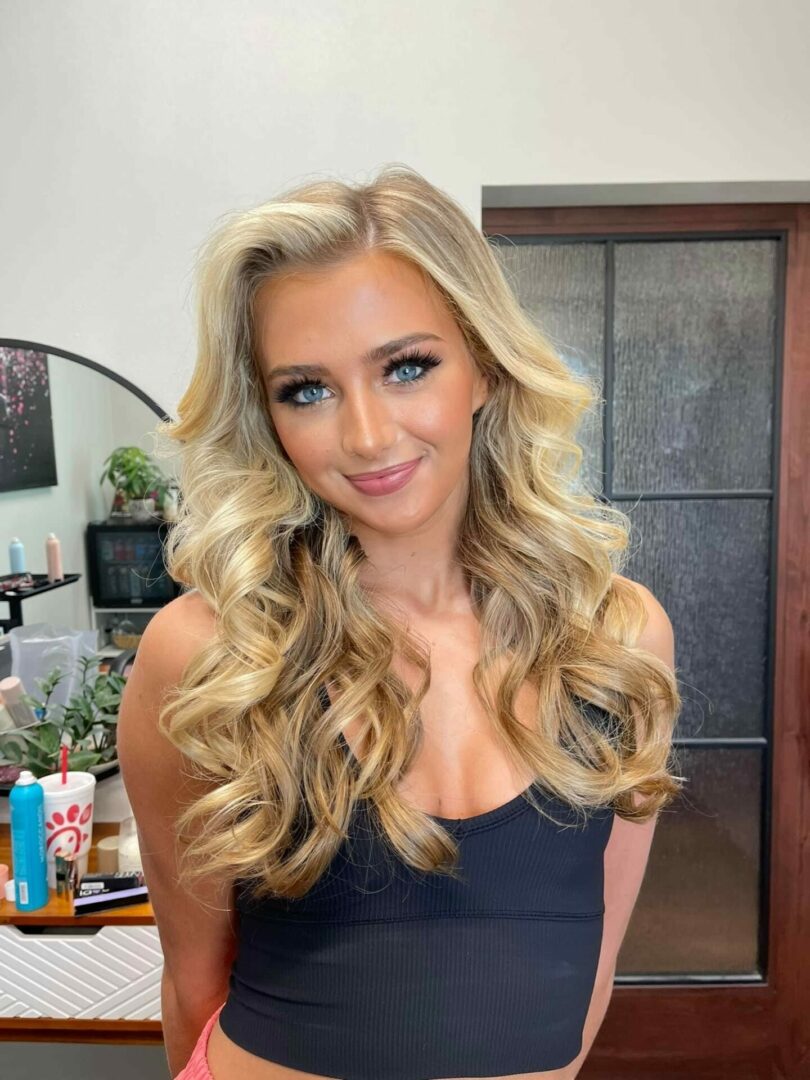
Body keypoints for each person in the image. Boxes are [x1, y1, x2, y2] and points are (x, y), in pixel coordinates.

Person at [117, 163, 683, 1080]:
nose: (369, 436)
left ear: (484, 368)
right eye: (307, 390)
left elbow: (591, 965)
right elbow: (192, 984)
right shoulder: (211, 653)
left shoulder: (615, 640)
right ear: (266, 417)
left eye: (407, 367)